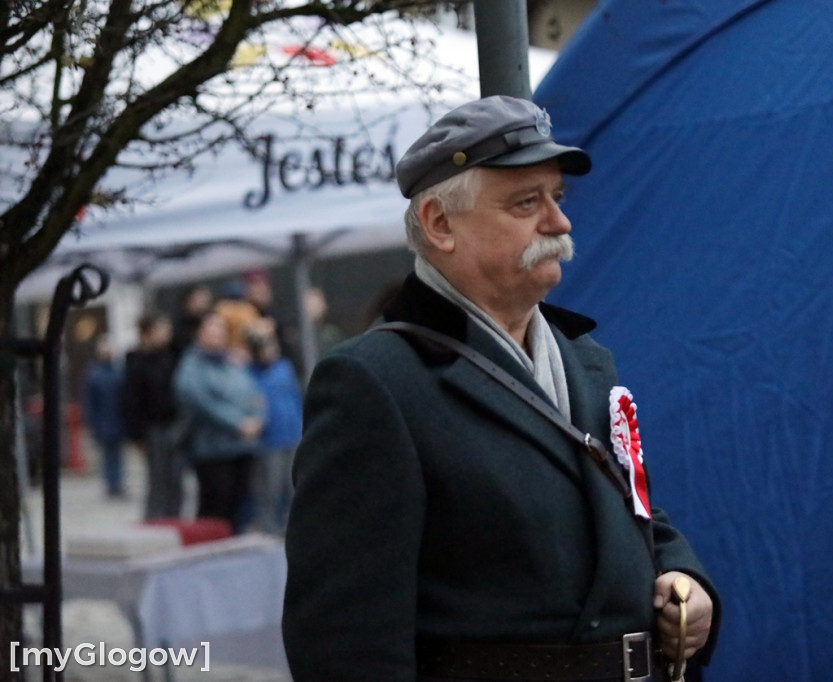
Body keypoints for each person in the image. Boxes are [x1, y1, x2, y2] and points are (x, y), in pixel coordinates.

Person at [283, 96, 721, 681]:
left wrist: (683, 577)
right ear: (440, 224)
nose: (559, 223)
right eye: (526, 202)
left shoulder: (586, 358)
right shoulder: (376, 380)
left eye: (557, 199)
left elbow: (631, 511)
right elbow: (343, 639)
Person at [174, 311, 265, 533]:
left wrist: (257, 420)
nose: (217, 334)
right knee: (215, 510)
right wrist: (238, 424)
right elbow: (202, 402)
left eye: (220, 329)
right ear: (199, 333)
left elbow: (255, 395)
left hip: (242, 449)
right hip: (212, 452)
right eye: (211, 328)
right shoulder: (192, 367)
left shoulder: (233, 362)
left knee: (240, 507)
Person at [123, 313, 183, 519]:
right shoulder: (137, 362)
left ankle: (174, 517)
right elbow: (131, 402)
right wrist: (137, 435)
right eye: (162, 329)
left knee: (175, 477)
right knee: (157, 478)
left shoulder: (171, 357)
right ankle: (155, 519)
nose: (167, 334)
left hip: (173, 424)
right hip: (153, 427)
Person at [246, 323, 303, 534]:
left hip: (293, 434)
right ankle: (268, 526)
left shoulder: (284, 367)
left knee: (292, 485)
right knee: (270, 486)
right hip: (269, 439)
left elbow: (296, 396)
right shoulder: (250, 374)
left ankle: (293, 526)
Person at [81, 334, 126, 498]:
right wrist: (91, 422)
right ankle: (111, 483)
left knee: (117, 454)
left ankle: (118, 483)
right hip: (104, 421)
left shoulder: (118, 370)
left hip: (117, 419)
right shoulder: (94, 373)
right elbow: (90, 400)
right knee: (108, 454)